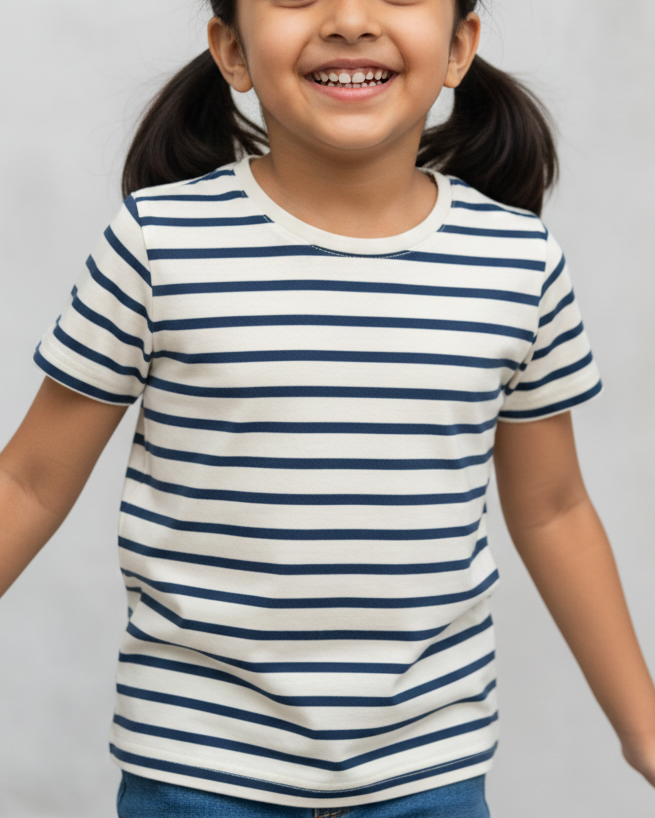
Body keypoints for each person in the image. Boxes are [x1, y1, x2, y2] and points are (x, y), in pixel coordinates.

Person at [1, 0, 654, 815]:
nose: (349, 19)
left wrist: (644, 730)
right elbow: (27, 482)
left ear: (459, 47)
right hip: (194, 775)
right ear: (231, 52)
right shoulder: (157, 244)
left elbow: (554, 509)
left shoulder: (518, 264)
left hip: (429, 779)